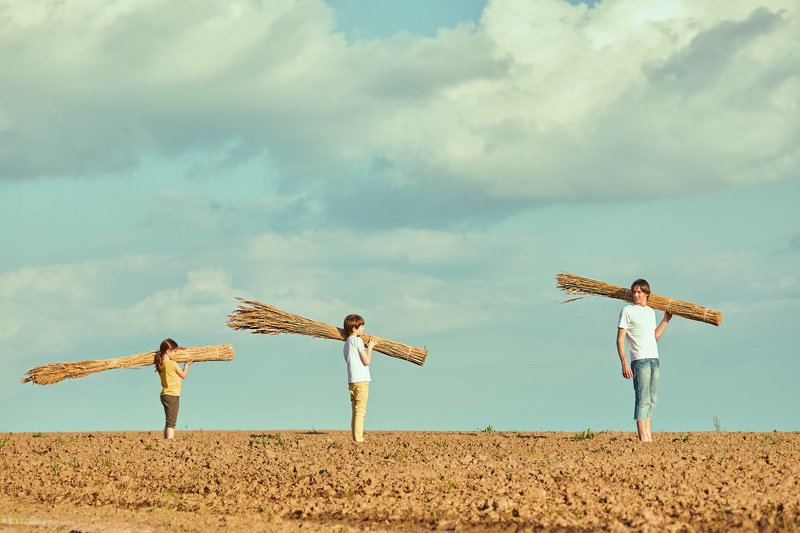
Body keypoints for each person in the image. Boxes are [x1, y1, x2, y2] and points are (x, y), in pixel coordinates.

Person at [616, 279, 672, 442]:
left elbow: (655, 336)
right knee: (642, 398)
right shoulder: (627, 310)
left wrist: (666, 319)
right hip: (639, 360)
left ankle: (648, 435)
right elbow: (620, 338)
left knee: (652, 399)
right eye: (634, 291)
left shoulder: (650, 312)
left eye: (639, 292)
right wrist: (624, 362)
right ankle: (643, 438)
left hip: (654, 358)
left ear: (647, 293)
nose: (636, 294)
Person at [342, 314, 377, 443]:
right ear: (354, 328)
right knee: (360, 411)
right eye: (361, 326)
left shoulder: (346, 343)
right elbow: (366, 361)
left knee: (355, 411)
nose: (363, 329)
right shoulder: (357, 341)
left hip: (352, 380)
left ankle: (355, 438)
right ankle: (358, 439)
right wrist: (371, 348)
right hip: (361, 379)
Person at [154, 338, 191, 440]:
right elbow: (183, 375)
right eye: (174, 351)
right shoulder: (172, 363)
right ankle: (170, 442)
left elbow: (167, 355)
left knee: (168, 420)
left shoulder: (160, 363)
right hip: (172, 395)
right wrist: (186, 365)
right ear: (168, 351)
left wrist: (177, 348)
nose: (175, 354)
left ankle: (166, 441)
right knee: (172, 422)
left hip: (164, 395)